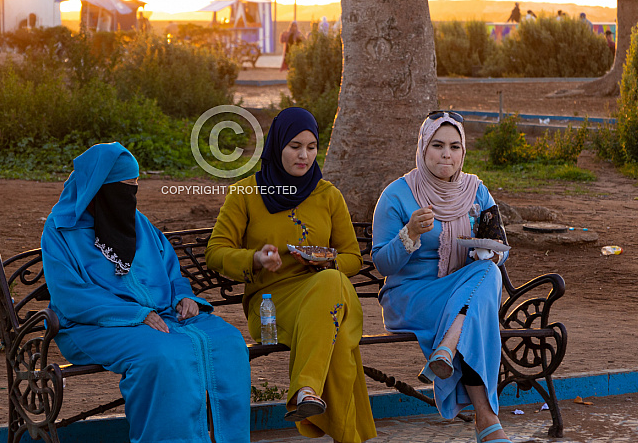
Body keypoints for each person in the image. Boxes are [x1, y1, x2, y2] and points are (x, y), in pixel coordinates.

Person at [41, 142, 251, 443]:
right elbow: (69, 295)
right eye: (125, 188)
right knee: (164, 353)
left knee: (228, 341)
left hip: (161, 315)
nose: (131, 197)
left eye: (135, 187)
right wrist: (136, 314)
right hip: (90, 325)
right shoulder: (61, 230)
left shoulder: (139, 224)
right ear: (100, 188)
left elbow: (171, 271)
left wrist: (183, 297)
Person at [206, 107, 377, 443]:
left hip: (328, 292)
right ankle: (348, 435)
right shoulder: (246, 193)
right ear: (277, 145)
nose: (304, 155)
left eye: (312, 147)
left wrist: (327, 261)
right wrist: (254, 259)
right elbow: (216, 252)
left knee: (331, 284)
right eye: (295, 146)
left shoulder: (328, 195)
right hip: (272, 305)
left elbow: (352, 258)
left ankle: (307, 390)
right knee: (338, 334)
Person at [371, 111, 512, 443]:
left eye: (454, 146)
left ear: (463, 152)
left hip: (459, 293)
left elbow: (500, 246)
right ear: (423, 147)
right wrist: (408, 234)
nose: (446, 154)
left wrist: (488, 253)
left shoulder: (476, 192)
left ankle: (450, 353)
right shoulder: (397, 195)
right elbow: (382, 264)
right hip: (410, 297)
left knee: (488, 271)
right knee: (478, 303)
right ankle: (486, 419)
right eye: (437, 145)